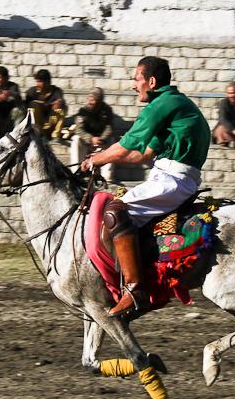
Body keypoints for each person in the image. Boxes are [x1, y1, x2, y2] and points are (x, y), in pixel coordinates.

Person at [79, 56, 210, 316]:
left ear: (151, 81)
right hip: (172, 176)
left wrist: (96, 159)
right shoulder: (174, 104)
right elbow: (141, 155)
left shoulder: (161, 104)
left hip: (174, 179)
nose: (132, 85)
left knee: (115, 212)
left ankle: (135, 288)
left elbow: (127, 145)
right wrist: (99, 159)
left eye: (136, 79)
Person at [69, 87, 115, 178]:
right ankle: (76, 172)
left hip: (101, 142)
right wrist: (90, 138)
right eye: (91, 99)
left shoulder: (107, 110)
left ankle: (107, 175)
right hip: (87, 142)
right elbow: (78, 129)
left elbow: (109, 128)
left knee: (112, 142)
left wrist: (101, 139)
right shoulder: (83, 111)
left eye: (95, 100)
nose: (92, 102)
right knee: (76, 139)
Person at [25, 69, 66, 139]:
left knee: (62, 109)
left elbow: (60, 100)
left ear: (48, 82)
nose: (38, 84)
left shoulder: (56, 90)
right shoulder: (32, 91)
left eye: (40, 81)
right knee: (32, 108)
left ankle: (55, 135)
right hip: (37, 122)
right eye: (37, 81)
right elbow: (25, 105)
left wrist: (58, 103)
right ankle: (36, 134)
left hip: (51, 121)